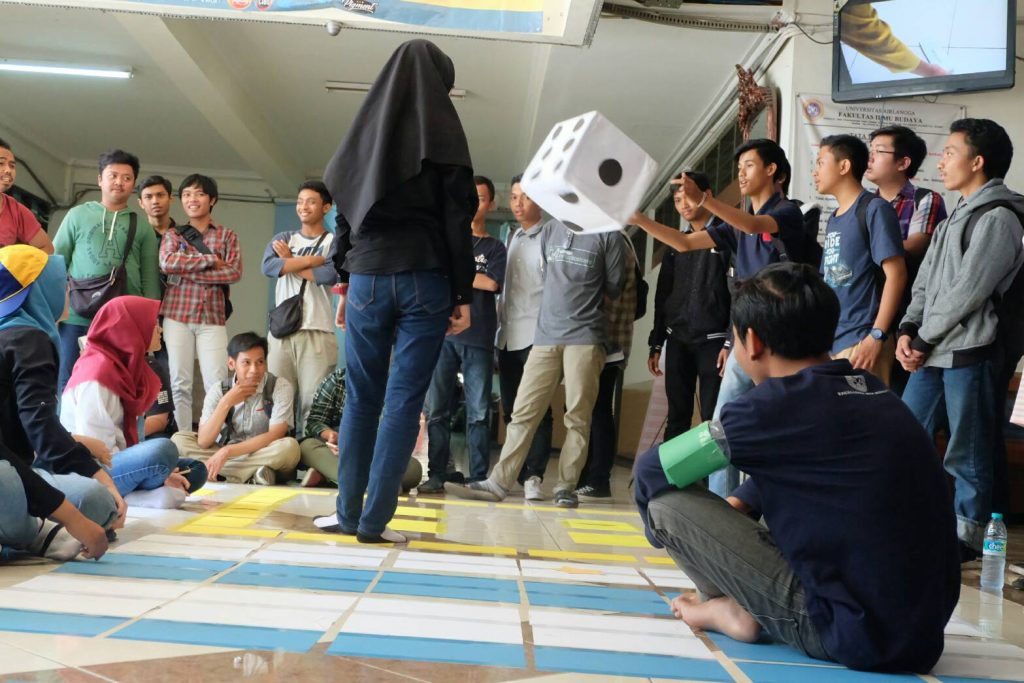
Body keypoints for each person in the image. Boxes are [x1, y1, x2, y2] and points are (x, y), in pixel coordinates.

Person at [635, 262, 959, 674]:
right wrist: (734, 513)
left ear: (751, 342)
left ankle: (735, 608)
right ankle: (742, 600)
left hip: (843, 631)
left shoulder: (768, 407)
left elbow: (651, 473)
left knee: (666, 505)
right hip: (921, 636)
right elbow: (806, 466)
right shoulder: (873, 391)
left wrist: (686, 541)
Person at [313, 39, 476, 544]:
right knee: (405, 401)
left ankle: (346, 514)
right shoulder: (445, 135)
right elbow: (457, 221)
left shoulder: (366, 131)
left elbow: (344, 214)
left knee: (361, 397)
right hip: (426, 277)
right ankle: (375, 523)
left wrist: (344, 280)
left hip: (366, 277)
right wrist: (461, 293)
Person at [633, 139, 805, 498]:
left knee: (780, 424)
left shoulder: (787, 212)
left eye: (749, 166)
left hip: (781, 337)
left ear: (772, 170)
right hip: (746, 337)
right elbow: (682, 244)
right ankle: (721, 504)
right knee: (722, 426)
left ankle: (770, 500)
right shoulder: (733, 225)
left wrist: (707, 201)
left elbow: (756, 225)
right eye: (738, 167)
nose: (741, 173)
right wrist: (638, 219)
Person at [897, 118, 1024, 558]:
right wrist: (909, 329)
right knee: (906, 435)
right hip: (932, 349)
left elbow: (969, 292)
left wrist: (924, 338)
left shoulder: (999, 218)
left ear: (978, 161)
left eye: (950, 151)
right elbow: (927, 284)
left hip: (970, 350)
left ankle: (966, 539)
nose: (942, 160)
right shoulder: (955, 218)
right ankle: (912, 519)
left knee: (966, 451)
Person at [446, 219, 626, 508]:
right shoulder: (551, 230)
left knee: (578, 416)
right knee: (523, 412)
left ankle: (566, 486)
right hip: (545, 336)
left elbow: (614, 287)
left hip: (586, 336)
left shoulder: (609, 233)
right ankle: (498, 482)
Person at [0, 245, 121, 536]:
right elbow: (41, 429)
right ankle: (34, 534)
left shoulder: (13, 334)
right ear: (41, 290)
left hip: (20, 464)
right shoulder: (30, 341)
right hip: (11, 474)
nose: (68, 290)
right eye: (63, 283)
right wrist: (101, 482)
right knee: (100, 502)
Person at [60, 296, 206, 508]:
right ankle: (132, 495)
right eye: (154, 324)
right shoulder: (97, 374)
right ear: (132, 328)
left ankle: (138, 493)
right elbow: (100, 448)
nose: (160, 330)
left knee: (196, 469)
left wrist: (154, 470)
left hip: (119, 459)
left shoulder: (127, 367)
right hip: (92, 468)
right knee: (163, 450)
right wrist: (157, 472)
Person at [421, 175, 506, 492]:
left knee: (479, 412)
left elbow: (492, 284)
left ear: (491, 204)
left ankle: (479, 476)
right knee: (437, 410)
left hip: (480, 337)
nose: (474, 204)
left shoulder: (496, 247)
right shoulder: (446, 242)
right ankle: (436, 473)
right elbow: (441, 276)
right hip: (443, 337)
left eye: (481, 198)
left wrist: (457, 273)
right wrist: (471, 275)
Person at [53, 149, 161, 392]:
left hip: (123, 320)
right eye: (113, 175)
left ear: (133, 184)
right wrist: (54, 309)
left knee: (120, 383)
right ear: (100, 179)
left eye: (126, 178)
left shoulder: (141, 224)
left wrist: (150, 322)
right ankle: (66, 431)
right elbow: (57, 261)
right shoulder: (77, 215)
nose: (119, 182)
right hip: (76, 315)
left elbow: (150, 278)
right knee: (68, 378)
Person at [814, 134, 906, 384]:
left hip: (862, 341)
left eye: (821, 163)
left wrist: (876, 335)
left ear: (844, 166)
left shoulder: (874, 209)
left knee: (868, 422)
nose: (815, 171)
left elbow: (896, 275)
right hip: (834, 342)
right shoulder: (834, 217)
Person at [865, 125, 948, 394]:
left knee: (900, 395)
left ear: (903, 162)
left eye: (878, 151)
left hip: (906, 312)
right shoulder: (862, 205)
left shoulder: (924, 200)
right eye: (869, 151)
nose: (870, 159)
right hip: (865, 311)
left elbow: (915, 245)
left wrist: (866, 250)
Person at [647, 172, 730, 441]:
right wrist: (656, 343)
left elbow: (738, 292)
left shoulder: (727, 237)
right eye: (677, 200)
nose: (683, 205)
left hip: (714, 342)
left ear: (706, 196)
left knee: (712, 416)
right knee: (677, 416)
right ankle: (673, 482)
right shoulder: (674, 245)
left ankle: (710, 484)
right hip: (678, 340)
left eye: (688, 197)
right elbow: (663, 296)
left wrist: (730, 341)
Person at [159, 174, 242, 432]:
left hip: (212, 318)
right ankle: (183, 440)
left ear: (212, 199)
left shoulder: (227, 236)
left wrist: (187, 268)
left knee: (217, 383)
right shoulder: (173, 234)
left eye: (199, 194)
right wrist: (209, 261)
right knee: (179, 383)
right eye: (186, 195)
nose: (192, 199)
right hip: (176, 316)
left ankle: (212, 439)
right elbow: (167, 263)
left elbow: (234, 273)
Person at [262, 180, 339, 439]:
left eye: (311, 201)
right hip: (282, 332)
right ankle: (280, 460)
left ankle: (311, 463)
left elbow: (329, 274)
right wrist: (311, 261)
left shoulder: (334, 241)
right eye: (300, 201)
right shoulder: (283, 237)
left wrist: (290, 261)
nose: (303, 206)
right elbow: (269, 268)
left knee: (313, 403)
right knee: (278, 400)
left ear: (326, 207)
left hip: (317, 330)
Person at [171, 332, 301, 485]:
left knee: (290, 448)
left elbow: (275, 434)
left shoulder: (279, 386)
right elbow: (204, 441)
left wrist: (226, 452)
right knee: (179, 440)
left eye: (260, 362)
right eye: (246, 363)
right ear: (232, 364)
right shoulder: (219, 390)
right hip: (233, 453)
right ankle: (254, 474)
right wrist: (226, 402)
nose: (254, 369)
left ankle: (218, 472)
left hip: (263, 451)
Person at [495, 175, 554, 500]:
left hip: (537, 334)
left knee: (539, 409)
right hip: (507, 335)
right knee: (510, 409)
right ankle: (514, 472)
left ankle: (534, 475)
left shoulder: (550, 235)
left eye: (526, 197)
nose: (518, 204)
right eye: (514, 197)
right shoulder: (512, 236)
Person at [575, 231, 638, 500]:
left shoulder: (614, 240)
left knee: (599, 409)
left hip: (606, 340)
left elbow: (613, 295)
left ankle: (599, 479)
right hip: (600, 338)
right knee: (591, 409)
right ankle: (589, 476)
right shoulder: (611, 238)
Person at [300, 367, 422, 490]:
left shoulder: (392, 386)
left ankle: (330, 476)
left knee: (414, 470)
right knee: (306, 447)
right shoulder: (337, 380)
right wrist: (331, 435)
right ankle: (377, 483)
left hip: (374, 451)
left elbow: (395, 432)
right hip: (336, 449)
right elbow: (315, 422)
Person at [1, 441, 108, 562]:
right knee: (3, 475)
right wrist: (73, 518)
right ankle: (32, 529)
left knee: (99, 499)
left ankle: (29, 526)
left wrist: (75, 519)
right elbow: (45, 435)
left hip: (22, 471)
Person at [0, 138, 54, 253]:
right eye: (1, 163)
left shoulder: (16, 211)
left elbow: (47, 248)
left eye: (12, 165)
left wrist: (19, 266)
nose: (8, 170)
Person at [137, 175, 176, 244]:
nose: (155, 201)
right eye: (148, 197)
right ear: (141, 203)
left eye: (160, 195)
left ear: (170, 199)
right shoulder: (136, 236)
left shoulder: (184, 235)